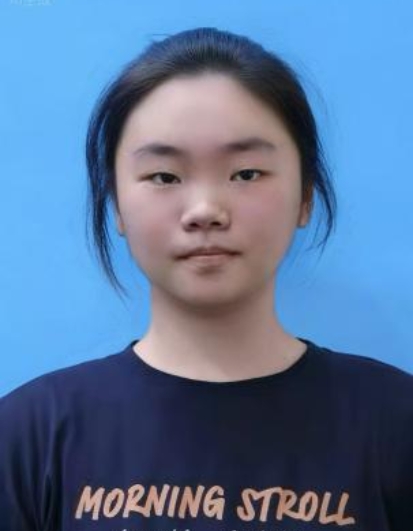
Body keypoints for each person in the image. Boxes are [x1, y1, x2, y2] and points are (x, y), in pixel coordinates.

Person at [0, 27, 412, 531]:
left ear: (305, 194)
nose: (205, 210)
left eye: (246, 173)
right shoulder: (27, 438)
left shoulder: (396, 423)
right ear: (116, 204)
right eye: (165, 176)